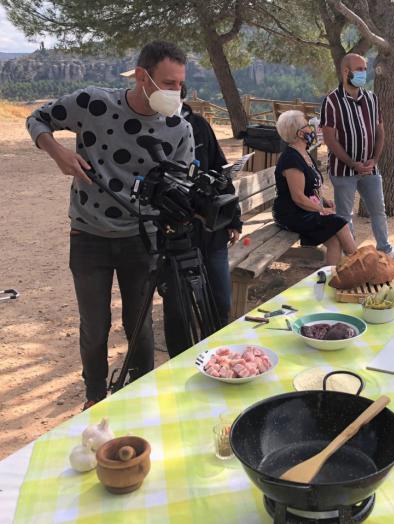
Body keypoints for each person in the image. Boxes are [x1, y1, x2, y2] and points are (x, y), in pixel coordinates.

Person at [26, 41, 195, 409]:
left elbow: (183, 186)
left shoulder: (179, 129)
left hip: (142, 239)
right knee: (94, 325)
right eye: (167, 83)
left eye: (179, 85)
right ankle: (94, 397)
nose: (175, 93)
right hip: (88, 235)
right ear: (141, 76)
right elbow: (36, 118)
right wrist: (58, 152)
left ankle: (141, 395)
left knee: (140, 325)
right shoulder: (93, 103)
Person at [157, 85, 243, 358]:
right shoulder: (148, 129)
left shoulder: (200, 126)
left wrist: (234, 219)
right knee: (178, 310)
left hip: (213, 233)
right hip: (175, 239)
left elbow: (221, 172)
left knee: (221, 300)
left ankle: (220, 358)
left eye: (174, 87)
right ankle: (181, 363)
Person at [320, 53, 394, 266]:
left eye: (364, 69)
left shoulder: (371, 99)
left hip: (370, 169)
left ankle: (385, 249)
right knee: (345, 215)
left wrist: (374, 160)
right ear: (346, 72)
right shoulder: (332, 102)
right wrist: (352, 163)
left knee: (379, 209)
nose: (363, 73)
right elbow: (329, 139)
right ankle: (351, 256)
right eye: (359, 69)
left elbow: (380, 131)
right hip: (343, 171)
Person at [273, 110, 357, 265]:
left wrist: (323, 201)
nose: (311, 128)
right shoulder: (291, 159)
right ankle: (362, 265)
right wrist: (321, 210)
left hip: (303, 210)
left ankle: (329, 280)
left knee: (334, 241)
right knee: (340, 223)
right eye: (307, 125)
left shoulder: (303, 153)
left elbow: (309, 188)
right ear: (299, 133)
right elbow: (298, 197)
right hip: (292, 214)